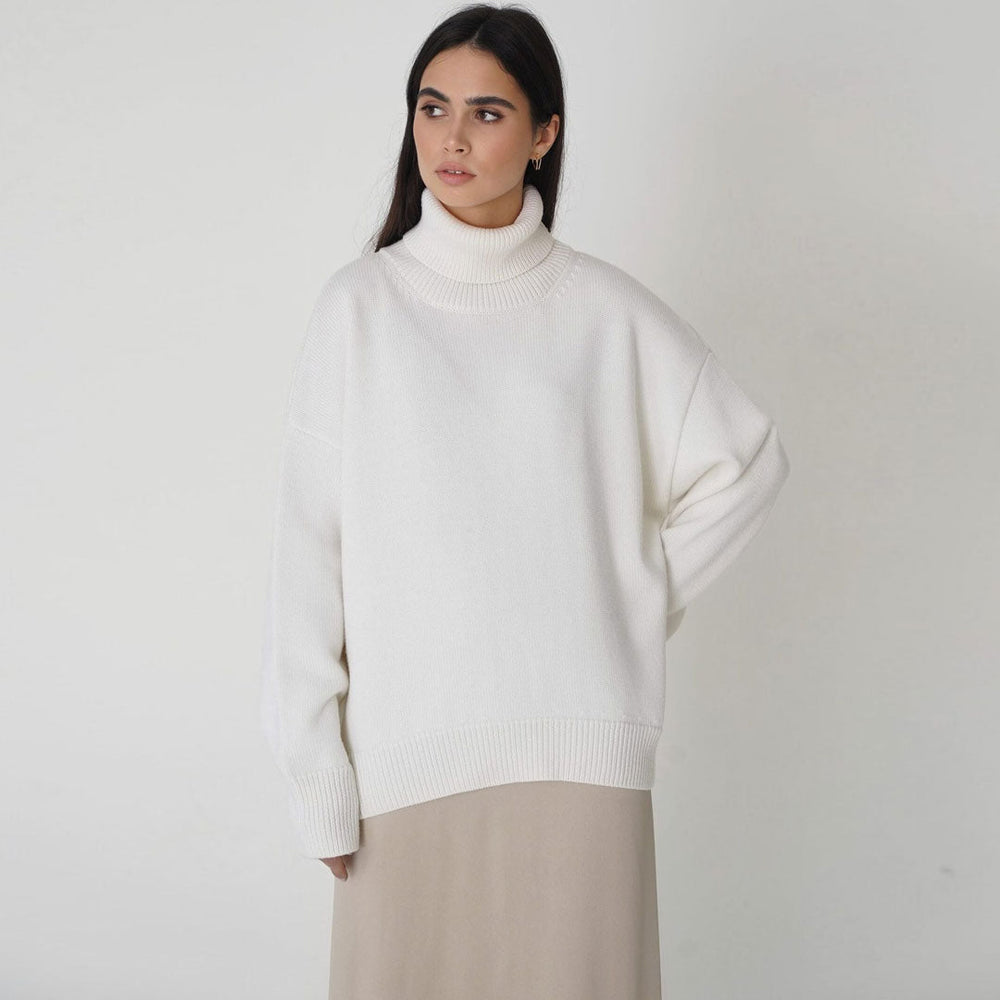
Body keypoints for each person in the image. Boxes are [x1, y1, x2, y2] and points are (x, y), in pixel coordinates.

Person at [260, 5, 790, 998]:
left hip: (579, 765)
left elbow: (747, 459)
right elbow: (308, 560)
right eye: (432, 108)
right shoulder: (360, 309)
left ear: (544, 134)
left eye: (488, 113)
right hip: (404, 766)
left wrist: (628, 598)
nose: (451, 138)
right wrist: (317, 772)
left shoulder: (604, 311)